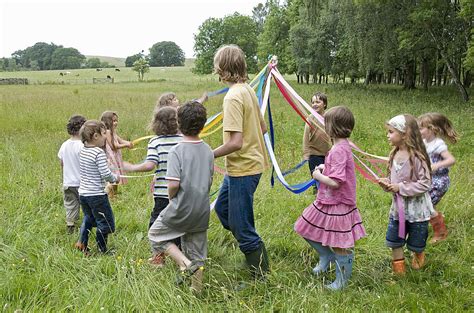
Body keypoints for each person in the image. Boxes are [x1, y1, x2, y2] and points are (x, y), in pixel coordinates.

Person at [212, 44, 270, 279]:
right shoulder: (247, 89)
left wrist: (208, 155)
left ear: (222, 68)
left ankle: (260, 273)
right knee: (222, 208)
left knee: (241, 225)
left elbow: (235, 142)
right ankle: (252, 247)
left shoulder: (233, 97)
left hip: (243, 168)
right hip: (245, 167)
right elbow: (262, 126)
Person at [295, 106, 366, 290]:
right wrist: (323, 169)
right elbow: (335, 170)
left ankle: (341, 282)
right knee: (304, 226)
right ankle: (326, 256)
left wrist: (317, 176)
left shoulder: (339, 149)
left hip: (338, 203)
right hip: (326, 200)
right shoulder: (338, 147)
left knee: (340, 243)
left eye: (324, 122)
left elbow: (336, 182)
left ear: (332, 127)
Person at [148, 101, 214, 293]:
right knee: (197, 251)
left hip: (181, 206)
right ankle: (197, 291)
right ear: (203, 125)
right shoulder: (208, 150)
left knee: (156, 234)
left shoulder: (177, 150)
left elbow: (174, 184)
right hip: (202, 208)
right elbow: (209, 179)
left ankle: (184, 263)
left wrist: (171, 198)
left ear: (178, 123)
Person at [122, 106, 183, 266]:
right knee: (179, 224)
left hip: (163, 194)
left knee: (156, 225)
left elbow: (150, 165)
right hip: (182, 193)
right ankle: (181, 255)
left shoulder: (155, 141)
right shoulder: (184, 139)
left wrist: (131, 167)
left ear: (157, 123)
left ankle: (158, 257)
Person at [378, 114, 433, 275]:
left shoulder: (417, 157)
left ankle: (418, 256)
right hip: (398, 210)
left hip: (416, 211)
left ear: (404, 134)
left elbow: (425, 183)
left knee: (416, 242)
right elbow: (394, 180)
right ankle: (399, 273)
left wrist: (400, 187)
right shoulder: (393, 154)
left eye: (391, 131)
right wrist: (387, 183)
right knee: (395, 241)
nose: (387, 135)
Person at [75, 120, 119, 255]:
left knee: (89, 218)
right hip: (97, 195)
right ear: (95, 136)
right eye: (104, 133)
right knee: (105, 222)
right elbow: (105, 173)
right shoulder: (98, 153)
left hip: (83, 194)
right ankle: (102, 250)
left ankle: (81, 243)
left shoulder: (83, 151)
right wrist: (114, 178)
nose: (106, 136)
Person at [418, 113, 458, 243]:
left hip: (438, 181)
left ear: (432, 129)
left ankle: (440, 233)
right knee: (424, 203)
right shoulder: (424, 142)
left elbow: (451, 160)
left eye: (421, 128)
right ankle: (434, 217)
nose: (419, 131)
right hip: (428, 180)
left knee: (426, 204)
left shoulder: (438, 144)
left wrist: (437, 165)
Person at [58, 115, 86, 234]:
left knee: (70, 204)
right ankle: (87, 223)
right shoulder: (83, 146)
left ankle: (70, 224)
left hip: (68, 182)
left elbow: (62, 162)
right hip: (82, 183)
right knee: (86, 205)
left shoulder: (64, 145)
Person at [302, 92, 331, 194]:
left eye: (318, 102)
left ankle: (327, 195)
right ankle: (317, 194)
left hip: (328, 154)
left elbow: (334, 134)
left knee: (328, 176)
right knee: (317, 177)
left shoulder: (329, 117)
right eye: (313, 102)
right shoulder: (310, 118)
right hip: (314, 154)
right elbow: (305, 137)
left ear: (325, 104)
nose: (314, 104)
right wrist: (306, 154)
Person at [100, 111, 133, 197]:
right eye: (113, 121)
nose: (116, 123)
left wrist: (129, 143)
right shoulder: (107, 132)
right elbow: (114, 146)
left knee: (116, 177)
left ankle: (114, 195)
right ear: (107, 122)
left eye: (116, 120)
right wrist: (126, 145)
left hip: (116, 157)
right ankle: (108, 193)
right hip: (111, 159)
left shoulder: (113, 131)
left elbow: (120, 140)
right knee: (113, 176)